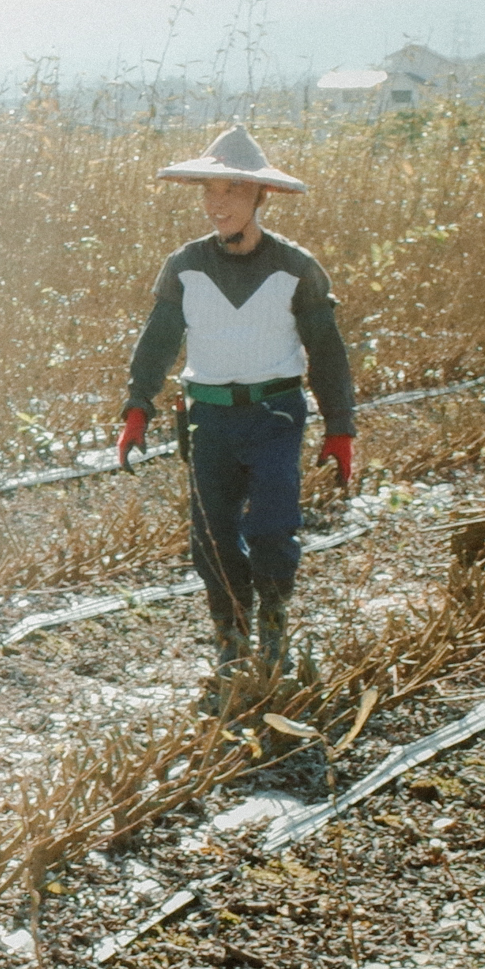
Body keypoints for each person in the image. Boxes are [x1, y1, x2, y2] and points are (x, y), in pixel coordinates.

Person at [116, 125, 356, 670]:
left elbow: (328, 350)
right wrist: (137, 406)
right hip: (209, 420)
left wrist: (341, 427)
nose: (216, 203)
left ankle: (273, 632)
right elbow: (158, 340)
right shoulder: (185, 265)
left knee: (273, 530)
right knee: (214, 539)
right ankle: (230, 639)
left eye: (231, 191)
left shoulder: (296, 268)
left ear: (260, 196)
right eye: (209, 190)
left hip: (274, 414)